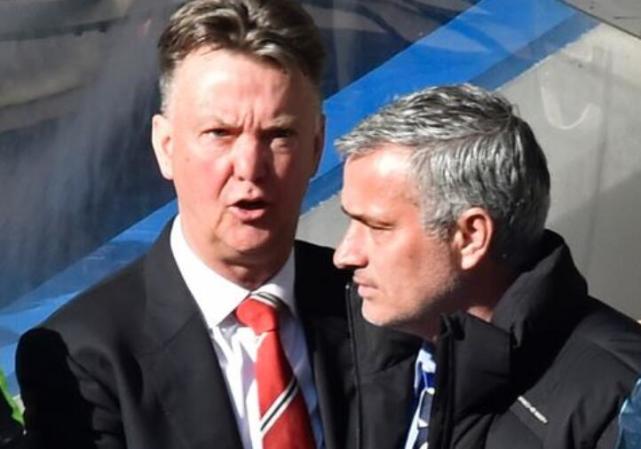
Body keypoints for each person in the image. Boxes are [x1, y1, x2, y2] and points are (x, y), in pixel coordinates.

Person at [15, 1, 419, 448]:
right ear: (165, 146)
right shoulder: (84, 356)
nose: (249, 167)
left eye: (278, 135)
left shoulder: (383, 306)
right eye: (220, 134)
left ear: (316, 146)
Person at [333, 84, 641, 449]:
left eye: (377, 227)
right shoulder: (387, 344)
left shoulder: (620, 406)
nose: (344, 255)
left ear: (471, 237)